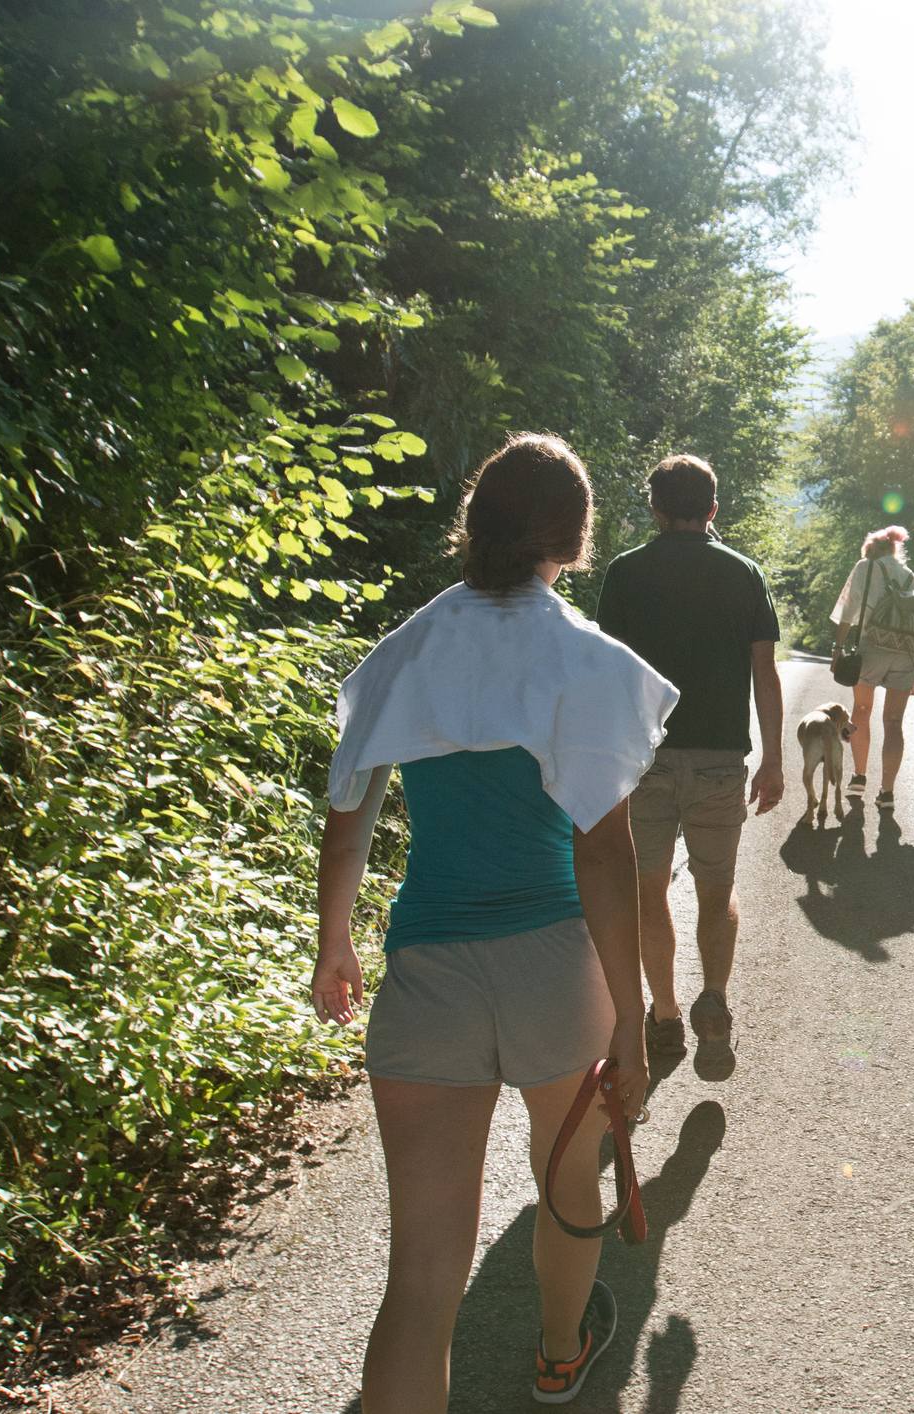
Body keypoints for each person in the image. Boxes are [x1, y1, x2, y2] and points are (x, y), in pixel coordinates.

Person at [310, 433, 680, 1411]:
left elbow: (346, 828)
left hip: (428, 972)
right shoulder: (586, 659)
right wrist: (632, 1017)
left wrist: (332, 945)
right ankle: (561, 1352)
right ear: (575, 537)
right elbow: (604, 855)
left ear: (472, 526)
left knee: (422, 1280)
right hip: (554, 969)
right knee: (567, 1185)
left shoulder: (409, 646)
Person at [595, 454, 783, 1080]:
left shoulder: (624, 574)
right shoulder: (743, 573)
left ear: (654, 507)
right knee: (716, 888)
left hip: (642, 759)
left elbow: (610, 675)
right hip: (720, 761)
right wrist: (774, 757)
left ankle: (667, 1014)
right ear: (713, 509)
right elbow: (764, 671)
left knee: (648, 889)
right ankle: (717, 998)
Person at [828, 525, 914, 806]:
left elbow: (848, 609)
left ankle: (859, 776)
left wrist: (838, 648)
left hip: (873, 647)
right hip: (905, 654)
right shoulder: (910, 577)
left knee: (861, 709)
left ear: (871, 550)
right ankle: (887, 793)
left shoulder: (866, 568)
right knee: (894, 722)